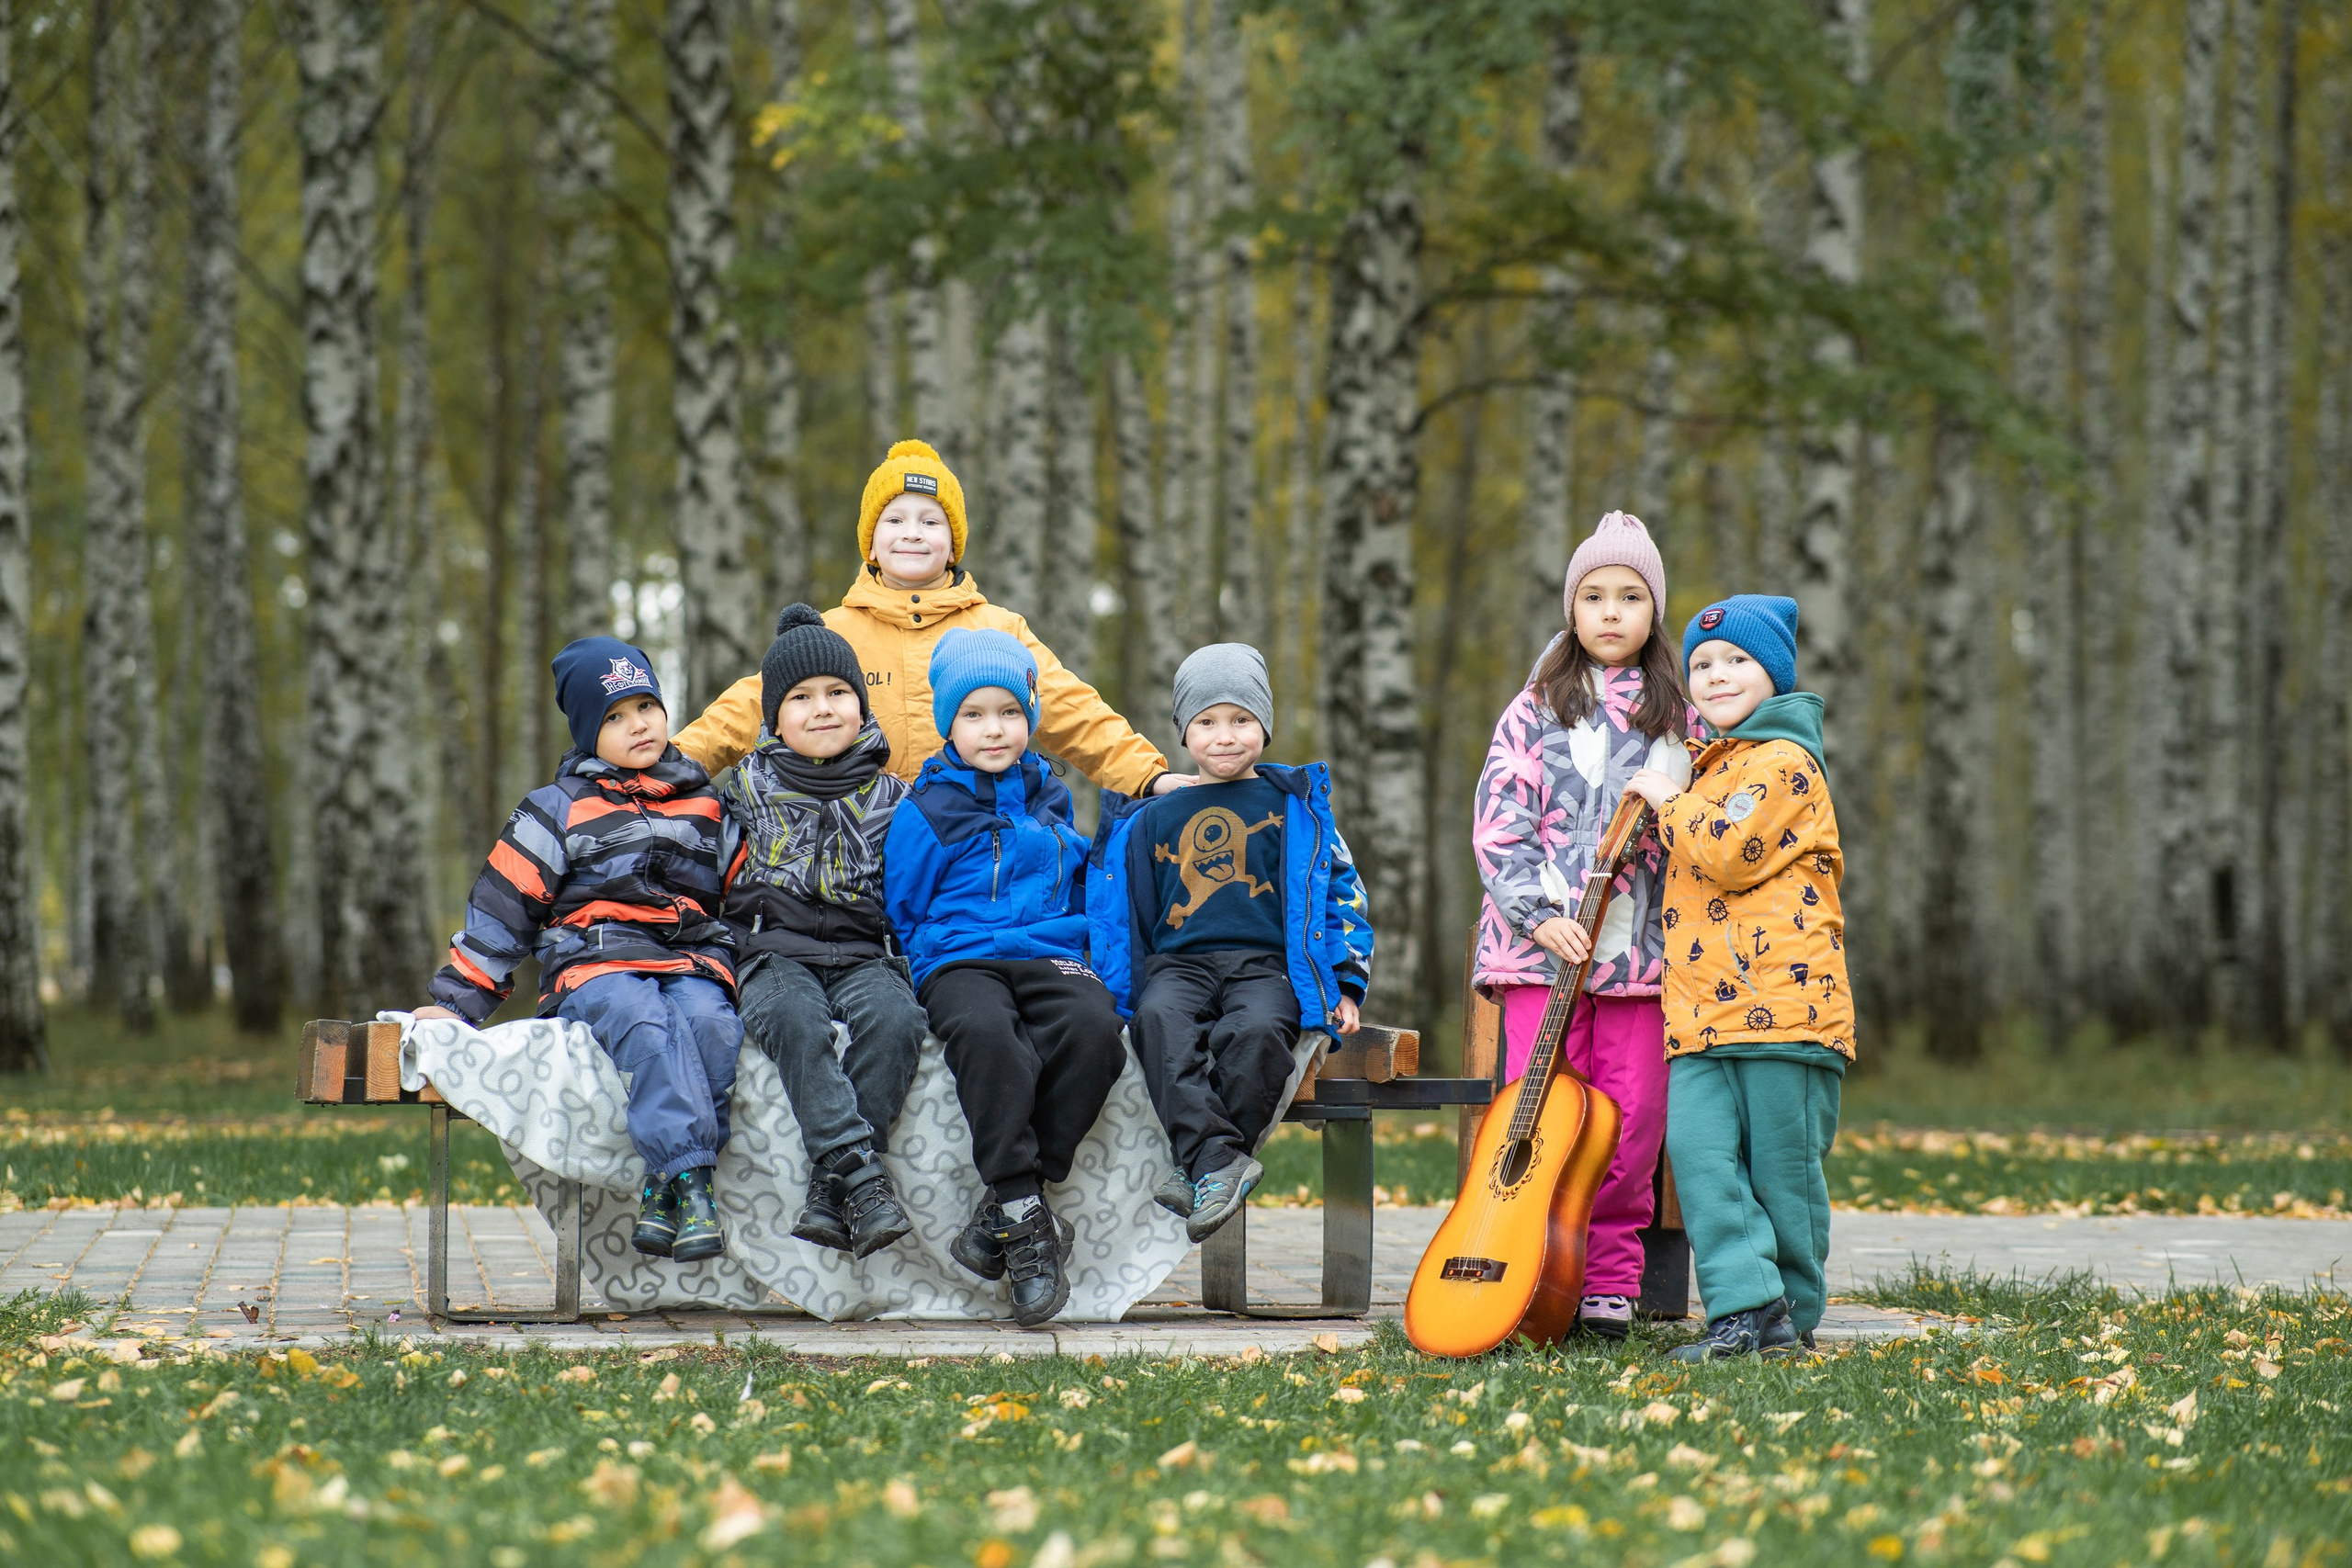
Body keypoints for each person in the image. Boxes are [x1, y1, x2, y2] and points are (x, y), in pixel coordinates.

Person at [413, 637, 741, 1264]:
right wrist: (457, 1002)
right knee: (647, 1025)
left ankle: (664, 1184)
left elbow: (748, 895)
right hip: (597, 964)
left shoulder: (707, 804)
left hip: (689, 958)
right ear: (589, 733)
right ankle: (692, 1183)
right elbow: (504, 906)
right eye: (614, 717)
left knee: (712, 1025)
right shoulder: (557, 808)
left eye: (646, 705)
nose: (637, 724)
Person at [1469, 510, 1695, 1341]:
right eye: (1593, 595)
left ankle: (1605, 1278)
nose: (1610, 612)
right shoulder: (1534, 710)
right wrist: (1535, 917)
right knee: (1539, 1112)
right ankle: (1528, 1266)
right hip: (1541, 959)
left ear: (1653, 611)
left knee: (1628, 1118)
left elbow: (1696, 828)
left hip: (1639, 957)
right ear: (1571, 608)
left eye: (1629, 597)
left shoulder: (1680, 717)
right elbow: (1499, 826)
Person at [674, 439, 1192, 798]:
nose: (912, 533)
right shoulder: (832, 633)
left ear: (953, 545)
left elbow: (1074, 712)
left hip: (966, 847)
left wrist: (1148, 777)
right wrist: (670, 762)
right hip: (856, 849)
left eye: (931, 521)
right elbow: (745, 709)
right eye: (894, 520)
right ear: (871, 544)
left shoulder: (997, 629)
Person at [1623, 594, 1853, 1362]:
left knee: (1781, 1170)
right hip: (1701, 1017)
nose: (1717, 675)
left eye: (1736, 661)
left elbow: (1727, 850)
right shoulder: (1707, 765)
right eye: (1702, 665)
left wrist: (1670, 800)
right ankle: (1740, 1310)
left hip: (1786, 1013)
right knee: (1699, 1157)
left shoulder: (1785, 763)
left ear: (1775, 674)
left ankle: (1791, 1313)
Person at [882, 629, 1129, 1326]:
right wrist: (926, 962)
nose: (995, 729)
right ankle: (1025, 1214)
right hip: (959, 955)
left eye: (1010, 712)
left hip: (1046, 947)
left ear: (1030, 717)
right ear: (948, 724)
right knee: (990, 1034)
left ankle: (999, 1209)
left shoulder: (1049, 794)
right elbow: (902, 903)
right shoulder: (926, 810)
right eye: (975, 714)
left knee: (1094, 1028)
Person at [1088, 644, 1374, 1243]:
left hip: (1265, 967)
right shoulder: (1153, 815)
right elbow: (1119, 906)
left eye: (1242, 719)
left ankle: (1198, 1163)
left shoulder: (1296, 808)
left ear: (1265, 727)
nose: (1225, 736)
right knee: (1158, 1021)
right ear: (1183, 731)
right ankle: (1217, 1163)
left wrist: (1345, 981)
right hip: (1179, 964)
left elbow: (1340, 893)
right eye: (1207, 722)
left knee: (1258, 1032)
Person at [721, 605, 928, 1260]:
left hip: (865, 949)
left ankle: (832, 1183)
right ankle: (864, 1175)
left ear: (863, 708)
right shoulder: (747, 788)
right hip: (774, 949)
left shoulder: (895, 796)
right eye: (801, 698)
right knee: (794, 1019)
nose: (823, 708)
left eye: (839, 693)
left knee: (897, 1020)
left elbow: (912, 890)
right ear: (773, 718)